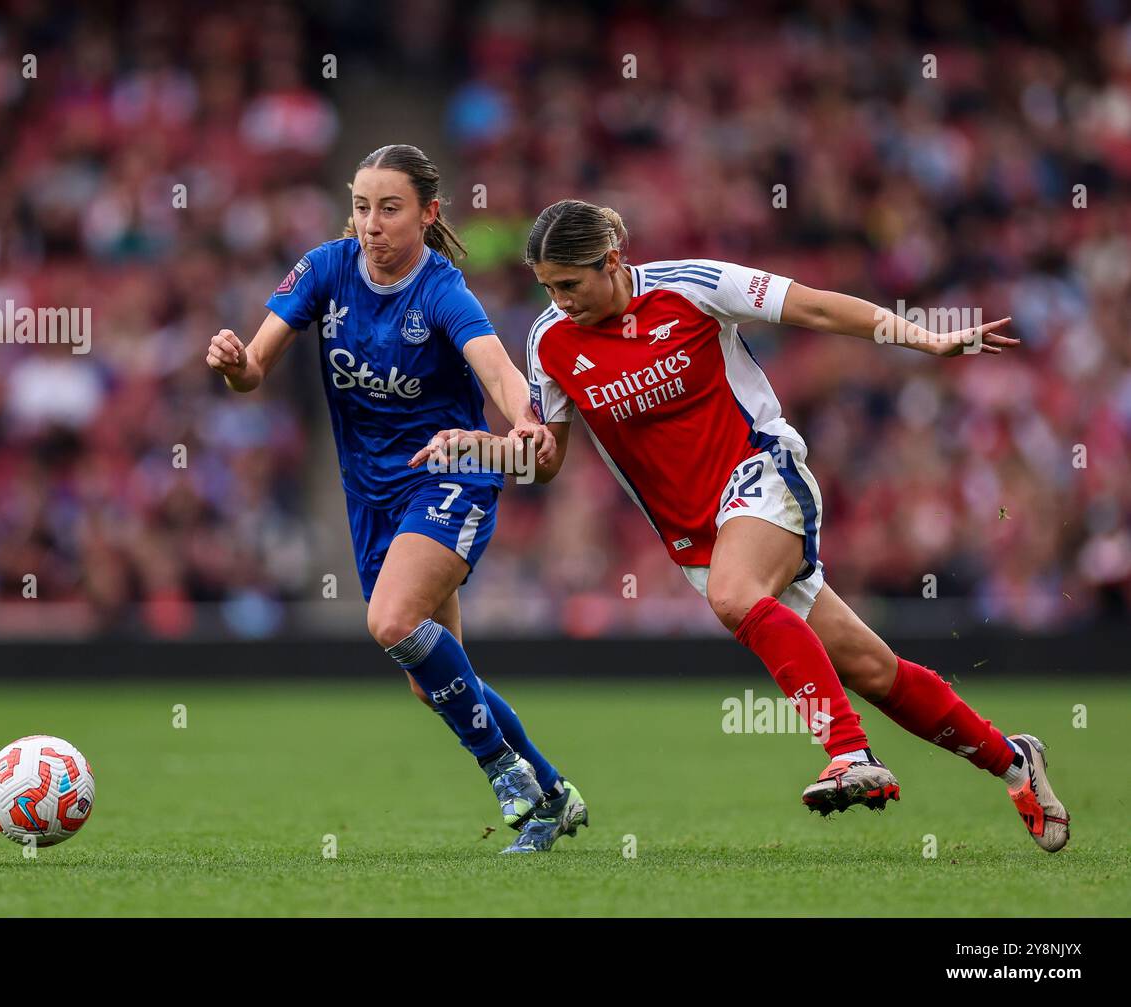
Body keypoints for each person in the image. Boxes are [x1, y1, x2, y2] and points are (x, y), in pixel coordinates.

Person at [414, 198, 1068, 852]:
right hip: (696, 533)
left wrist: (922, 337)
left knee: (734, 596)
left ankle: (850, 753)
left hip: (762, 469)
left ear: (611, 261)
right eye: (548, 287)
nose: (560, 300)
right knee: (872, 669)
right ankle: (1015, 761)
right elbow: (546, 459)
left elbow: (812, 306)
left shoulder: (692, 286)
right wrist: (477, 446)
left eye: (570, 284)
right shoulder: (550, 339)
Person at [206, 147, 587, 855]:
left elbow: (498, 370)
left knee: (389, 619)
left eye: (389, 208)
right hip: (370, 493)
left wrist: (524, 420)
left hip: (451, 472)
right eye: (360, 206)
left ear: (427, 214)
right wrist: (236, 364)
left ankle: (506, 773)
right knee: (434, 680)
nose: (371, 224)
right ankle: (555, 791)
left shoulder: (443, 292)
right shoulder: (324, 269)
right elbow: (254, 368)